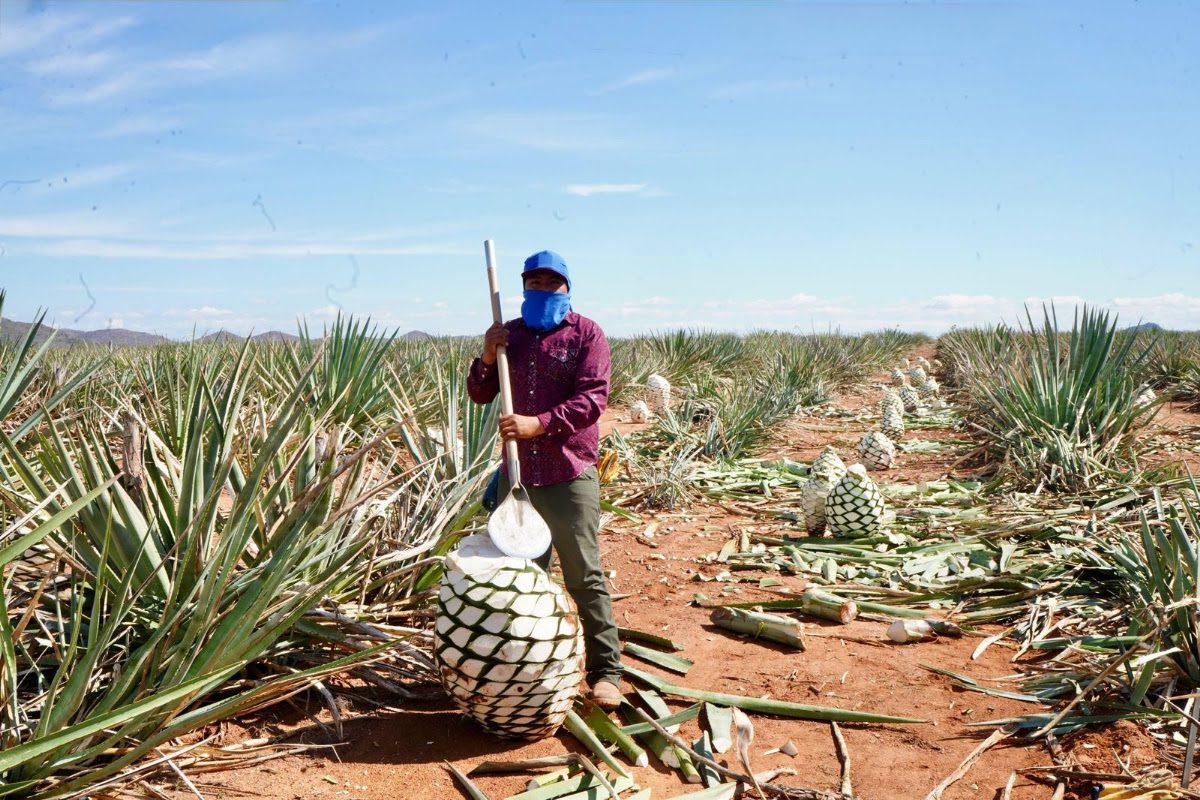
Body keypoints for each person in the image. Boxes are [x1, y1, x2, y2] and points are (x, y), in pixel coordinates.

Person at [467, 249, 624, 710]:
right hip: (518, 475)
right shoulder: (509, 336)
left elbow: (593, 399)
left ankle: (606, 670)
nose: (541, 290)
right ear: (522, 287)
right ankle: (529, 669)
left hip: (567, 471)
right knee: (521, 577)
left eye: (550, 283)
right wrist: (487, 354)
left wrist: (539, 423)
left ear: (566, 288)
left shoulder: (587, 335)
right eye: (533, 283)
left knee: (583, 574)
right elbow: (480, 394)